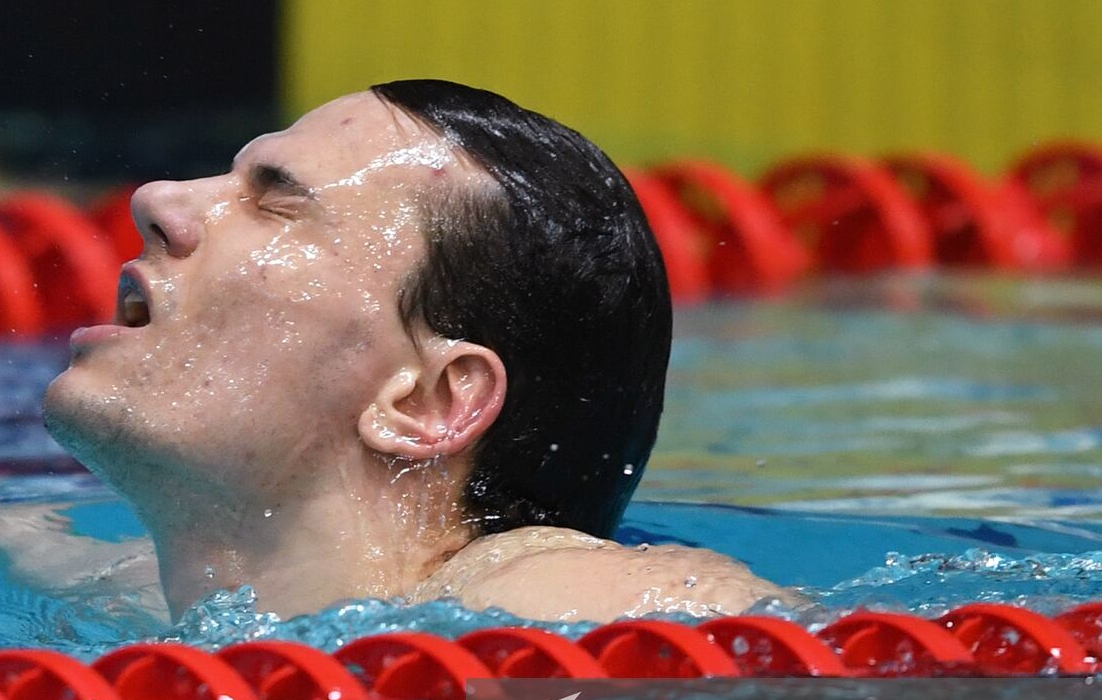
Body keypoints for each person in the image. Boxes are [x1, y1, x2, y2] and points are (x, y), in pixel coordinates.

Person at [43, 79, 787, 623]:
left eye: (275, 201)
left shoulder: (545, 601)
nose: (158, 200)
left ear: (427, 400)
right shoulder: (123, 596)